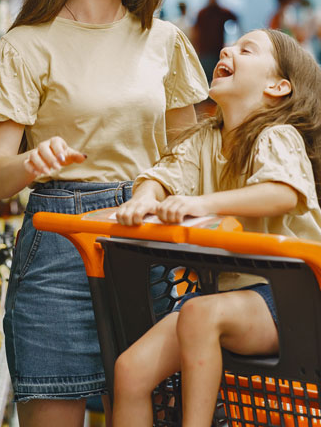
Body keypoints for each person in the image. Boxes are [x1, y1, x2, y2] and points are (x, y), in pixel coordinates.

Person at [0, 0, 208, 427]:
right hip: (60, 251)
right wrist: (31, 161)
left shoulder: (164, 40)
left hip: (152, 244)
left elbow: (189, 156)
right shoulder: (26, 46)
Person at [113, 29, 321, 427]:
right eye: (230, 45)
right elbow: (161, 176)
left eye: (247, 49)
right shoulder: (204, 139)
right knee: (131, 370)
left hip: (294, 298)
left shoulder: (277, 135)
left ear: (278, 86)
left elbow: (282, 193)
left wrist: (201, 203)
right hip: (225, 302)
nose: (226, 48)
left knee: (199, 314)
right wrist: (143, 201)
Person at [192, 0, 237, 82]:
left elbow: (196, 34)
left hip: (213, 52)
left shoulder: (206, 12)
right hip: (208, 53)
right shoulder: (206, 12)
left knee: (210, 83)